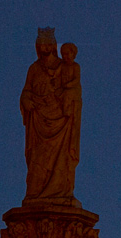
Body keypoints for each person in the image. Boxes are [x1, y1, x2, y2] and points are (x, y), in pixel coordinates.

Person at [20, 30, 82, 204]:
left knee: (62, 158)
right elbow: (26, 91)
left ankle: (62, 192)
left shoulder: (66, 66)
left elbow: (75, 90)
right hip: (38, 119)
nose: (45, 49)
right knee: (38, 159)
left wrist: (66, 98)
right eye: (42, 45)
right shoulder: (34, 69)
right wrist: (26, 100)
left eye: (49, 45)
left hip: (61, 120)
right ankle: (35, 193)